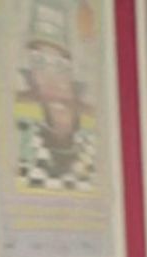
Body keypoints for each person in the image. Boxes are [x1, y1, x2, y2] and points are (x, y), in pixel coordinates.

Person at [16, 0, 95, 192]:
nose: (53, 81)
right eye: (39, 63)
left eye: (61, 66)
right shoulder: (24, 140)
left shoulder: (93, 144)